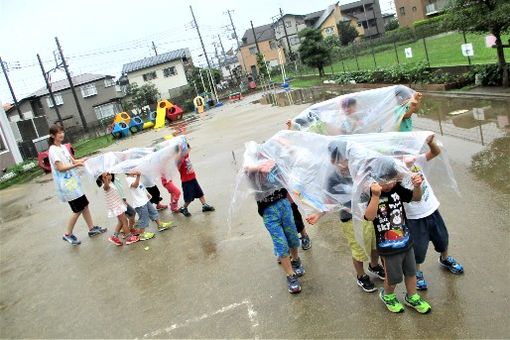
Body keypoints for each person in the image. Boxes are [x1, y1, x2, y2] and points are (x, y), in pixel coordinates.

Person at [306, 140, 385, 293]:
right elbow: (329, 200)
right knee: (358, 249)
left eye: (346, 160)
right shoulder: (332, 179)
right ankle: (361, 275)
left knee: (375, 244)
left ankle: (374, 266)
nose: (344, 164)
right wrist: (318, 214)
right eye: (339, 161)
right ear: (332, 161)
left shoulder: (359, 170)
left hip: (369, 214)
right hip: (350, 219)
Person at [363, 156, 431, 314]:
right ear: (375, 178)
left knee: (412, 272)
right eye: (384, 180)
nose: (388, 184)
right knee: (392, 277)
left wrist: (417, 186)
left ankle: (412, 296)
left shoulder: (397, 188)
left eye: (392, 179)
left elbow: (416, 197)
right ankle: (387, 295)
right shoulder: (371, 193)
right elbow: (369, 217)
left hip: (406, 241)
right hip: (388, 248)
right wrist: (375, 196)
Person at [403, 135, 464, 290]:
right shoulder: (395, 172)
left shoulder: (416, 161)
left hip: (431, 209)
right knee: (418, 248)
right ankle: (417, 272)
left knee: (442, 237)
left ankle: (444, 258)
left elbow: (435, 152)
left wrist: (431, 142)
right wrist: (404, 166)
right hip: (414, 217)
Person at [244, 151, 305, 294]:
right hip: (269, 213)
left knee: (292, 238)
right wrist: (259, 167)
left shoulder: (276, 169)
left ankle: (296, 259)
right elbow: (246, 168)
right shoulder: (253, 175)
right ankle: (290, 275)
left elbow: (290, 167)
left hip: (284, 207)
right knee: (281, 243)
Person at [48, 124, 107, 245]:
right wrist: (76, 165)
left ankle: (91, 229)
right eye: (59, 133)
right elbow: (60, 168)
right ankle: (67, 234)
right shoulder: (53, 150)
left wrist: (83, 160)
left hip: (73, 183)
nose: (62, 134)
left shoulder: (63, 147)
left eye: (62, 132)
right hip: (67, 185)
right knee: (78, 209)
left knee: (84, 205)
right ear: (53, 135)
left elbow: (73, 161)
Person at [126, 171, 173, 240]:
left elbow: (141, 187)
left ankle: (160, 225)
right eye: (132, 170)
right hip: (140, 203)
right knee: (144, 218)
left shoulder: (134, 177)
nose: (135, 170)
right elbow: (135, 186)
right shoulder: (128, 179)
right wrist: (138, 176)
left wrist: (146, 193)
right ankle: (142, 234)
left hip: (145, 199)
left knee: (153, 211)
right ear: (128, 172)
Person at [96, 173, 139, 246]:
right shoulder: (105, 186)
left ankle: (114, 237)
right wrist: (105, 179)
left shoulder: (111, 182)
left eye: (109, 174)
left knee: (121, 222)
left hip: (119, 205)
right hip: (116, 207)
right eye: (107, 175)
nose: (109, 175)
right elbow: (106, 187)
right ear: (103, 179)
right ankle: (129, 237)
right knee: (124, 221)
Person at [177, 143, 215, 217]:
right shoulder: (179, 160)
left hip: (193, 178)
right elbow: (179, 160)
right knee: (189, 198)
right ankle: (183, 208)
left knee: (200, 193)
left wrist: (183, 143)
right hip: (186, 182)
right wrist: (180, 149)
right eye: (187, 149)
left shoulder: (186, 155)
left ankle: (204, 205)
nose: (189, 150)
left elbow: (186, 146)